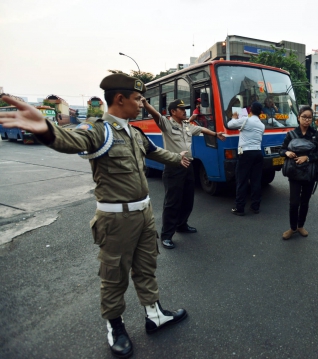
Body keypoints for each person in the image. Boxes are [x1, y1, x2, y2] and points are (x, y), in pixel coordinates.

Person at [0, 74, 190, 358]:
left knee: (146, 266)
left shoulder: (133, 132)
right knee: (114, 276)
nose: (141, 104)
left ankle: (155, 314)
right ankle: (115, 326)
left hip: (144, 213)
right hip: (116, 220)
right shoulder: (99, 129)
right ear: (120, 99)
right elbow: (70, 139)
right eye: (138, 99)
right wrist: (46, 129)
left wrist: (179, 158)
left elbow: (155, 151)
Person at [143, 98, 225, 249]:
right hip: (173, 166)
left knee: (188, 199)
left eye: (185, 109)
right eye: (181, 109)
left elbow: (201, 130)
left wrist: (215, 134)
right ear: (173, 112)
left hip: (188, 166)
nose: (184, 111)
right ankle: (166, 235)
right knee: (172, 202)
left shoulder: (187, 125)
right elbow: (156, 115)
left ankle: (182, 225)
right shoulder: (166, 124)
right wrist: (146, 104)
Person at [280, 105, 318, 240]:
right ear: (298, 118)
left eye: (309, 118)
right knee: (294, 202)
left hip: (310, 173)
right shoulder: (291, 135)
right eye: (304, 117)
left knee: (305, 201)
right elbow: (281, 150)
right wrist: (287, 152)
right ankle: (292, 228)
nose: (307, 120)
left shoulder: (317, 135)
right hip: (294, 172)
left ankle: (300, 226)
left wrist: (308, 157)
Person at [228, 102, 265, 216]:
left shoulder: (246, 120)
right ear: (260, 113)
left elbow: (230, 125)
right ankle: (255, 207)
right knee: (256, 181)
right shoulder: (261, 125)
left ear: (250, 110)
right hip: (258, 153)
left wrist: (234, 117)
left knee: (242, 180)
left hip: (245, 153)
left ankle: (239, 208)